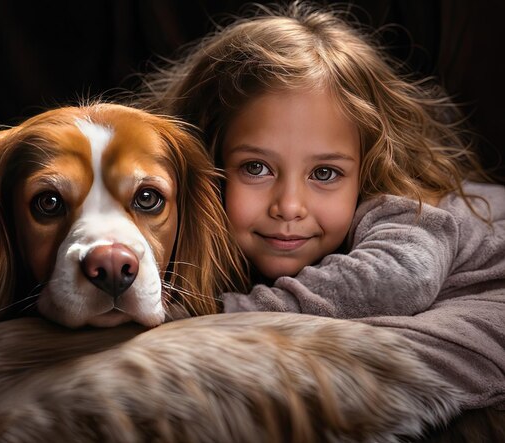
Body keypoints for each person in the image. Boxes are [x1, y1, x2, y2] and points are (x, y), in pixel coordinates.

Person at [138, 0, 504, 418]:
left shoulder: (401, 211)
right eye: (256, 168)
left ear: (367, 167)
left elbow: (400, 279)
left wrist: (226, 315)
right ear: (209, 161)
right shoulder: (194, 224)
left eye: (325, 173)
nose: (289, 206)